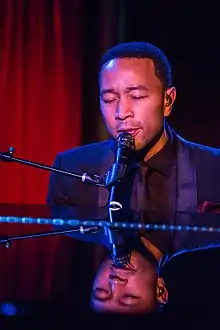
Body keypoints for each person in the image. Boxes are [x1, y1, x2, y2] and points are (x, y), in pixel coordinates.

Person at [46, 41, 220, 314]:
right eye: (109, 98)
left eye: (136, 96)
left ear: (167, 100)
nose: (120, 113)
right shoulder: (69, 168)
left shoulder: (215, 169)